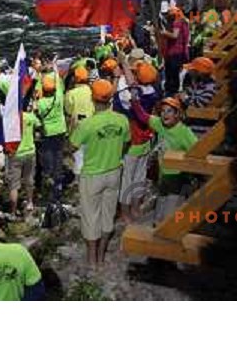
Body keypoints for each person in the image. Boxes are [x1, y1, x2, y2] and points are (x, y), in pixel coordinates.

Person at [70, 80, 130, 266]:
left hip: (92, 175)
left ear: (92, 99)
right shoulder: (122, 120)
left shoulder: (88, 124)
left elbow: (72, 146)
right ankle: (102, 256)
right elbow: (127, 142)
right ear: (111, 98)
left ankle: (92, 259)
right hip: (114, 172)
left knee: (90, 217)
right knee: (107, 215)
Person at [131, 96, 198, 225]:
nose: (165, 114)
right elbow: (142, 116)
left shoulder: (185, 133)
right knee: (159, 217)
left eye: (169, 111)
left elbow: (199, 152)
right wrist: (134, 98)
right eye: (162, 111)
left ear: (178, 114)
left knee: (169, 219)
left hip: (178, 182)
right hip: (163, 180)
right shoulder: (160, 125)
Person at [114, 59, 160, 222]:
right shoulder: (152, 92)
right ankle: (136, 208)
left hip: (132, 143)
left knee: (127, 179)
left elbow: (119, 99)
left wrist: (121, 71)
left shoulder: (132, 96)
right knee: (140, 177)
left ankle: (125, 212)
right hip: (146, 141)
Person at [35, 74, 67, 200]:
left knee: (48, 159)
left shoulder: (41, 103)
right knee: (59, 155)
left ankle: (49, 185)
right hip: (61, 130)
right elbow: (59, 84)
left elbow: (37, 113)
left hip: (48, 133)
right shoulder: (59, 97)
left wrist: (38, 77)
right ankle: (58, 186)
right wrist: (54, 68)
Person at [6, 105, 39, 216]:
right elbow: (39, 126)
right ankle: (30, 203)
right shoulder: (31, 117)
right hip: (30, 151)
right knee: (29, 179)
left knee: (14, 184)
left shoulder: (12, 118)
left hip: (16, 153)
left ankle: (13, 211)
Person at [161, 7, 190, 95]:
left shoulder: (177, 22)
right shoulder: (183, 22)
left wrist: (163, 32)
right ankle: (171, 93)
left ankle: (171, 94)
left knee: (172, 75)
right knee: (173, 75)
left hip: (175, 53)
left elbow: (174, 35)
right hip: (177, 52)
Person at [64, 66, 95, 133]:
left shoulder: (70, 93)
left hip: (76, 129)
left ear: (74, 78)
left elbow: (68, 112)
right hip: (92, 126)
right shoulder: (93, 91)